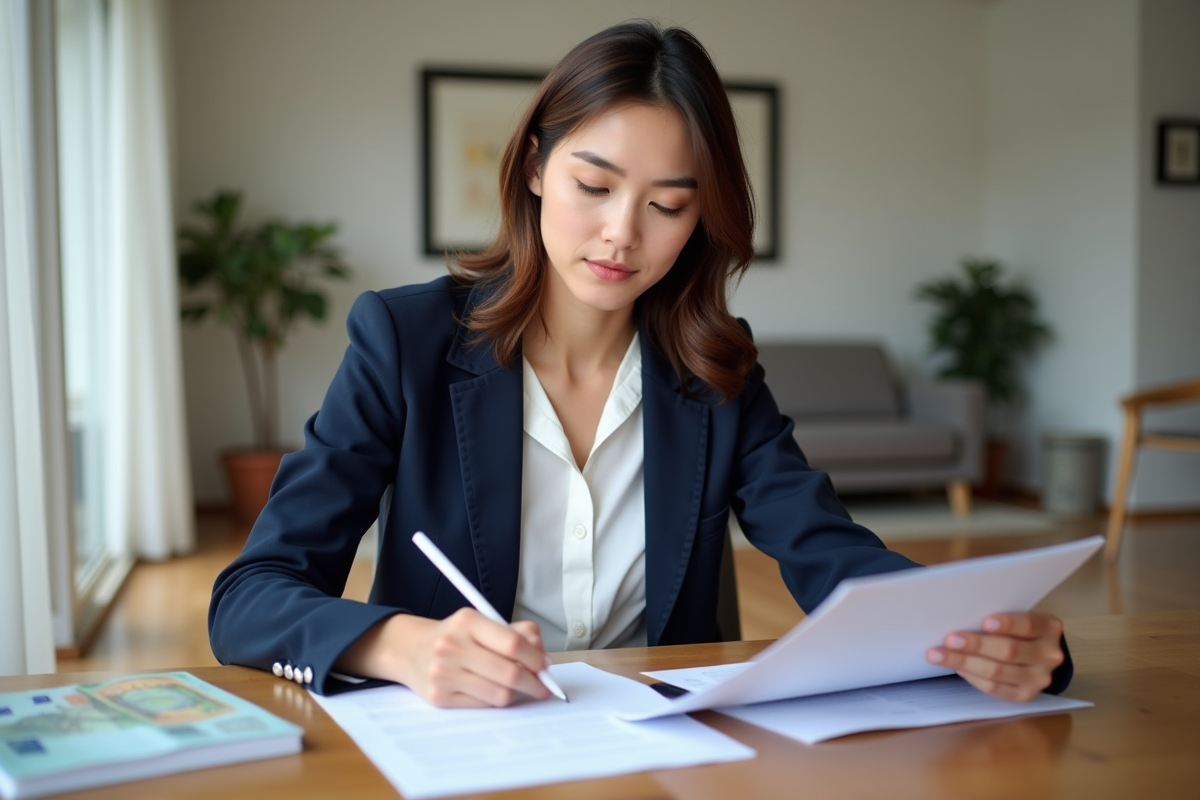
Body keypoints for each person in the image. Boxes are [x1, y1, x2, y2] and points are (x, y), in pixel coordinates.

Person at [208, 21, 1069, 708]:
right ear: (538, 168)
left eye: (666, 205)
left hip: (655, 747)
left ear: (700, 220)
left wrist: (980, 633)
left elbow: (829, 554)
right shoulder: (405, 339)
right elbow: (251, 595)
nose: (624, 232)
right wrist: (401, 644)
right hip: (459, 746)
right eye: (595, 186)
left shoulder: (715, 368)